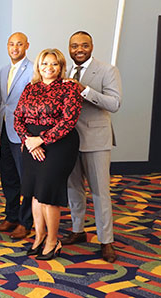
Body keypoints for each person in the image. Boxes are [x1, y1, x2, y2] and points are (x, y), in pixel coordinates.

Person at [14, 48, 82, 260]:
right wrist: (28, 140)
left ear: (61, 67)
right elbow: (18, 117)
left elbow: (69, 120)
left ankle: (54, 240)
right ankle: (39, 236)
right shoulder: (30, 87)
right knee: (34, 193)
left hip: (58, 145)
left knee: (48, 194)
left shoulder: (68, 88)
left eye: (54, 64)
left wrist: (40, 140)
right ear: (38, 67)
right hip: (31, 144)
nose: (49, 68)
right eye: (44, 64)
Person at [64, 31, 122, 263]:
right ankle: (78, 230)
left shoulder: (107, 70)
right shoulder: (65, 70)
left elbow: (115, 103)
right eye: (74, 45)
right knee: (73, 189)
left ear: (92, 46)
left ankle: (106, 240)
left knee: (100, 192)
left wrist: (84, 90)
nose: (79, 49)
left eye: (84, 45)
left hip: (96, 139)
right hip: (69, 140)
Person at [0, 32, 34, 239]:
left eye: (19, 44)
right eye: (11, 44)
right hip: (6, 131)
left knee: (25, 178)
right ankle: (11, 215)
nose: (15, 48)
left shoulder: (34, 69)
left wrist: (29, 135)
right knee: (8, 177)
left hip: (24, 134)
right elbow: (3, 102)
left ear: (27, 45)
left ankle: (25, 221)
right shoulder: (3, 70)